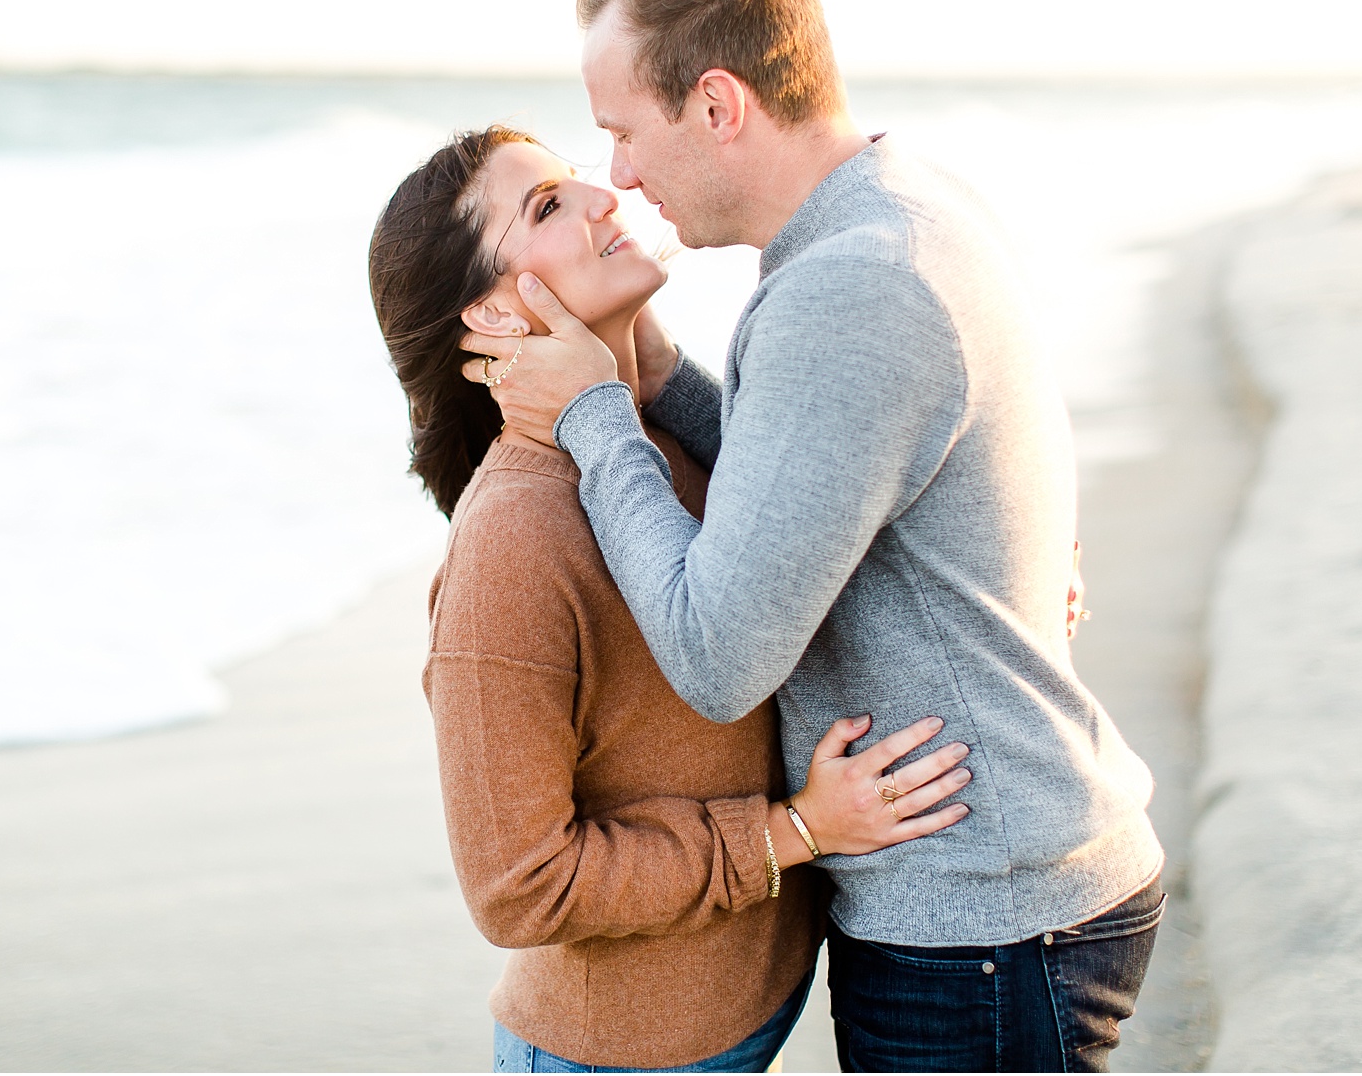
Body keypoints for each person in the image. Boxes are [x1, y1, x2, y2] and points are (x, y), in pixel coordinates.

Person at [460, 0, 1166, 1073]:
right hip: (1009, 885)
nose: (618, 174)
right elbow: (829, 459)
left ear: (719, 104)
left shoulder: (851, 290)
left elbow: (718, 652)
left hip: (982, 910)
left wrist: (594, 415)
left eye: (623, 131)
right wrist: (646, 370)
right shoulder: (899, 205)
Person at [368, 126, 977, 1073]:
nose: (603, 199)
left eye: (574, 182)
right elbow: (517, 888)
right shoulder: (511, 543)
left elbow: (819, 528)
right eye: (547, 208)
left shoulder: (661, 440)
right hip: (615, 1055)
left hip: (746, 1012)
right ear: (491, 314)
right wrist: (797, 831)